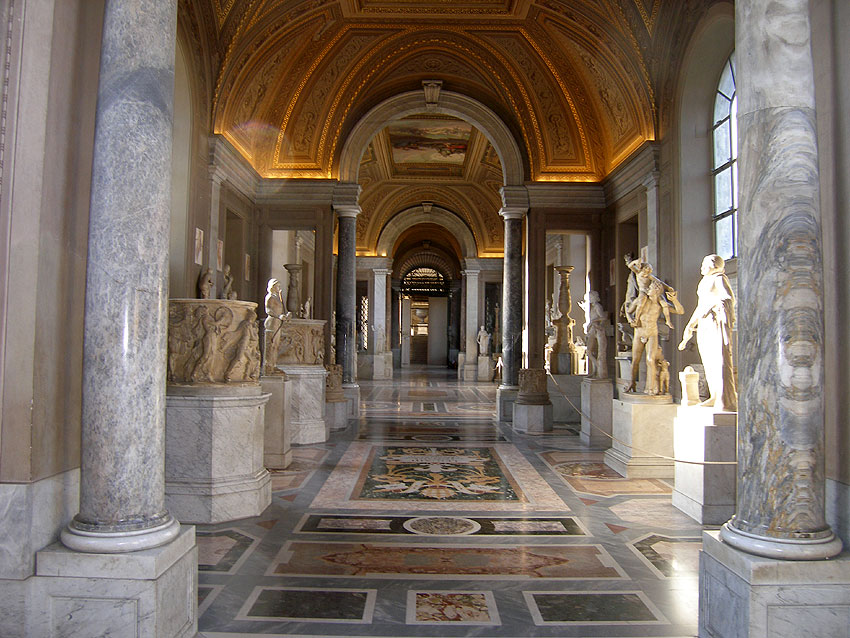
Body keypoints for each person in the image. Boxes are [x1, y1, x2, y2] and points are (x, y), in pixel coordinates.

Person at [678, 254, 737, 411]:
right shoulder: (704, 281)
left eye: (705, 264)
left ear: (714, 265)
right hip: (704, 323)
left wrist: (713, 307)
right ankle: (715, 396)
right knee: (709, 361)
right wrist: (690, 325)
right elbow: (700, 306)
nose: (702, 267)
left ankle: (726, 400)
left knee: (720, 360)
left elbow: (728, 299)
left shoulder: (719, 278)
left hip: (715, 321)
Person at [625, 280, 684, 395]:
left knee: (650, 360)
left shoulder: (661, 305)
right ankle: (632, 383)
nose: (648, 290)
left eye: (651, 288)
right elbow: (628, 311)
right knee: (635, 360)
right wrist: (631, 320)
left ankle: (651, 389)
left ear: (657, 291)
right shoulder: (640, 300)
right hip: (639, 332)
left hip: (652, 332)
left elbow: (680, 311)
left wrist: (674, 300)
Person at [263, 278, 290, 374]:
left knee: (276, 345)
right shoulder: (270, 297)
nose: (279, 288)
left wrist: (284, 316)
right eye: (277, 286)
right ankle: (268, 366)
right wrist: (278, 316)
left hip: (277, 321)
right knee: (271, 344)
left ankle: (274, 365)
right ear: (273, 287)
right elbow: (268, 310)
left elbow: (281, 310)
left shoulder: (277, 298)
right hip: (272, 322)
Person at [581, 290, 608, 379]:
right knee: (589, 351)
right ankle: (595, 370)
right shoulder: (593, 307)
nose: (589, 299)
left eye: (590, 297)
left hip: (596, 328)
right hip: (592, 329)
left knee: (594, 351)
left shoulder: (597, 306)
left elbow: (603, 317)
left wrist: (594, 321)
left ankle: (598, 369)